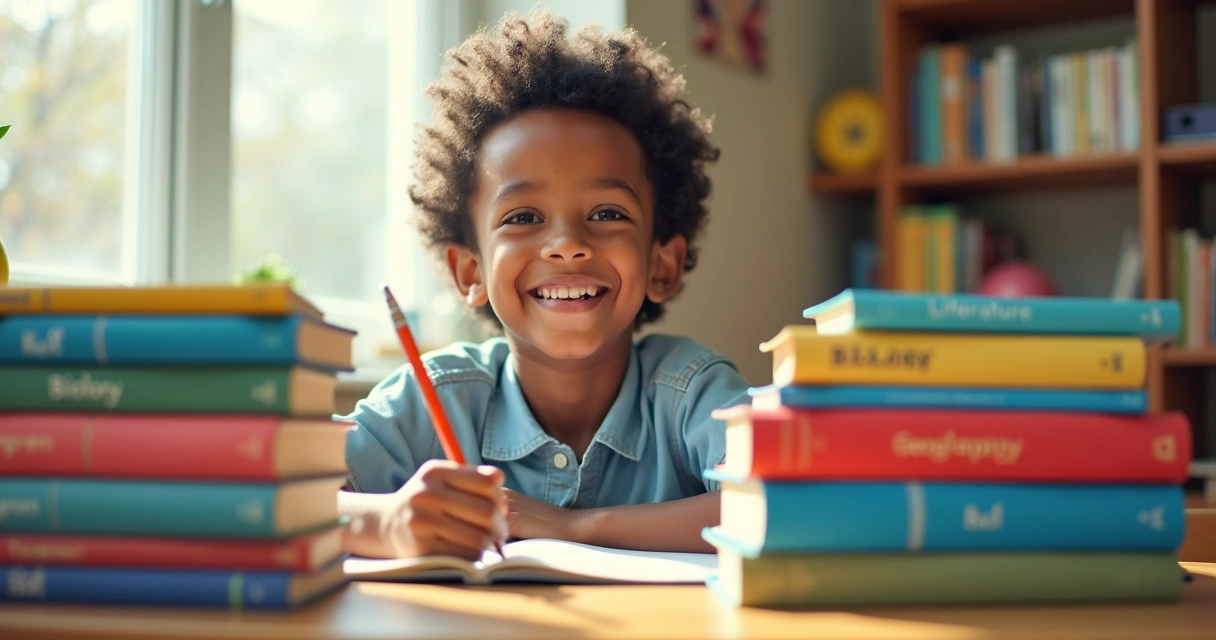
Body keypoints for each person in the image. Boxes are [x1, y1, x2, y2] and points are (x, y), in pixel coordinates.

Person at [339, 9, 751, 561]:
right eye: (523, 217)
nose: (566, 244)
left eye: (607, 213)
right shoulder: (431, 396)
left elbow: (781, 501)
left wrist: (574, 527)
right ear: (472, 273)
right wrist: (388, 522)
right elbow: (283, 499)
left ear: (662, 266)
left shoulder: (691, 393)